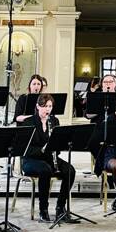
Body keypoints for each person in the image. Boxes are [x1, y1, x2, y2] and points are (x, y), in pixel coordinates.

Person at [20, 93, 77, 223]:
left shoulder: (54, 121)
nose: (47, 109)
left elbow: (58, 144)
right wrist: (41, 150)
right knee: (45, 170)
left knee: (70, 171)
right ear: (37, 106)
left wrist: (59, 146)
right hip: (30, 160)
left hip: (50, 158)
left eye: (50, 106)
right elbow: (25, 148)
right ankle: (43, 210)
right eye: (44, 106)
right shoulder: (28, 122)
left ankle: (60, 208)